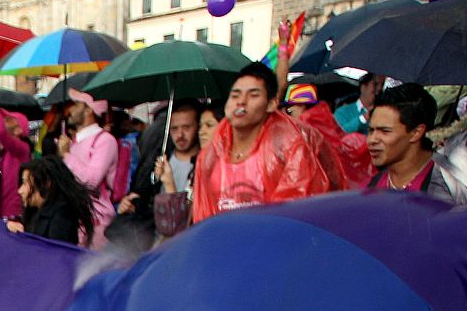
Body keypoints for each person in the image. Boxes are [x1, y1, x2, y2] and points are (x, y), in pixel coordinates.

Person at [191, 62, 334, 223]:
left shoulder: (288, 151)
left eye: (253, 95)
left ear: (271, 104)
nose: (241, 102)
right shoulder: (210, 156)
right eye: (235, 95)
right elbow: (203, 219)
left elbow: (296, 217)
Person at [112, 100, 203, 250]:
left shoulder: (203, 163)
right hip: (156, 245)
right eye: (174, 128)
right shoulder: (159, 160)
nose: (180, 135)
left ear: (197, 127)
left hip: (188, 244)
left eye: (186, 127)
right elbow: (145, 201)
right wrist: (129, 204)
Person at [366, 83, 463, 202]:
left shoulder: (452, 188)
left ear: (416, 132)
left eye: (385, 131)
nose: (372, 140)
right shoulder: (372, 186)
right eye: (370, 130)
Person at [57, 89, 117, 246]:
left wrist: (66, 155)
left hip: (97, 224)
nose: (71, 109)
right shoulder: (76, 142)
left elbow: (91, 180)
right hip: (76, 220)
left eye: (77, 104)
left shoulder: (105, 141)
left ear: (89, 109)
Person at [6, 156, 95, 245]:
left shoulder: (61, 219)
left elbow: (53, 254)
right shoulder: (34, 211)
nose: (20, 190)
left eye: (25, 183)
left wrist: (23, 237)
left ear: (46, 184)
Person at [0, 85, 34, 221]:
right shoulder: (2, 150)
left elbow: (0, 131)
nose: (4, 120)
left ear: (19, 130)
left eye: (10, 119)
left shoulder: (22, 148)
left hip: (13, 214)